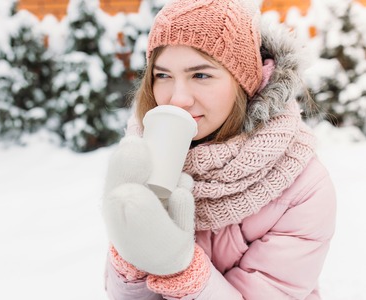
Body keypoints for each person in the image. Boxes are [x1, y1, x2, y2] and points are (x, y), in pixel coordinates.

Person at [101, 0, 337, 299]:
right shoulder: (142, 156)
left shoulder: (303, 187)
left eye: (201, 75)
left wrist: (181, 268)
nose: (178, 98)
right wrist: (131, 258)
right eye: (163, 75)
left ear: (245, 83)